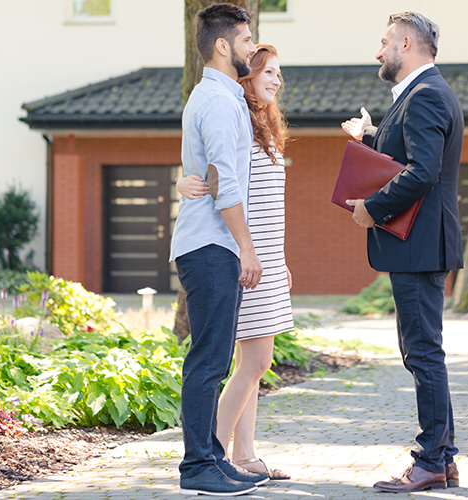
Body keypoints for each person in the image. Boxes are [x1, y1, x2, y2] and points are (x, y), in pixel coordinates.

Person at [341, 11, 465, 493]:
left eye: (385, 41)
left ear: (407, 44)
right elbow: (411, 157)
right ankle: (444, 458)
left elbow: (422, 172)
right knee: (423, 351)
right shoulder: (420, 95)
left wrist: (372, 208)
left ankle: (431, 459)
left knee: (422, 353)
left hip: (419, 246)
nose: (379, 51)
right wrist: (372, 137)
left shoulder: (427, 94)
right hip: (421, 245)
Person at [176, 43, 293, 481]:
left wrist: (278, 260)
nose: (276, 79)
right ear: (246, 75)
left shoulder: (262, 125)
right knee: (254, 361)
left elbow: (267, 201)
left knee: (253, 362)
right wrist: (182, 181)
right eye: (268, 71)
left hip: (263, 255)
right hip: (244, 254)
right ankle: (216, 455)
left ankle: (243, 454)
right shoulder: (234, 114)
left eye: (280, 73)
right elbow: (215, 173)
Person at [169, 3, 269, 496]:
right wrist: (247, 249)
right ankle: (197, 467)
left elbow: (210, 176)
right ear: (224, 45)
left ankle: (211, 456)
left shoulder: (222, 98)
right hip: (211, 245)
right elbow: (226, 184)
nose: (252, 47)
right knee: (208, 359)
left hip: (214, 243)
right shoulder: (216, 101)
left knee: (215, 357)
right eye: (247, 40)